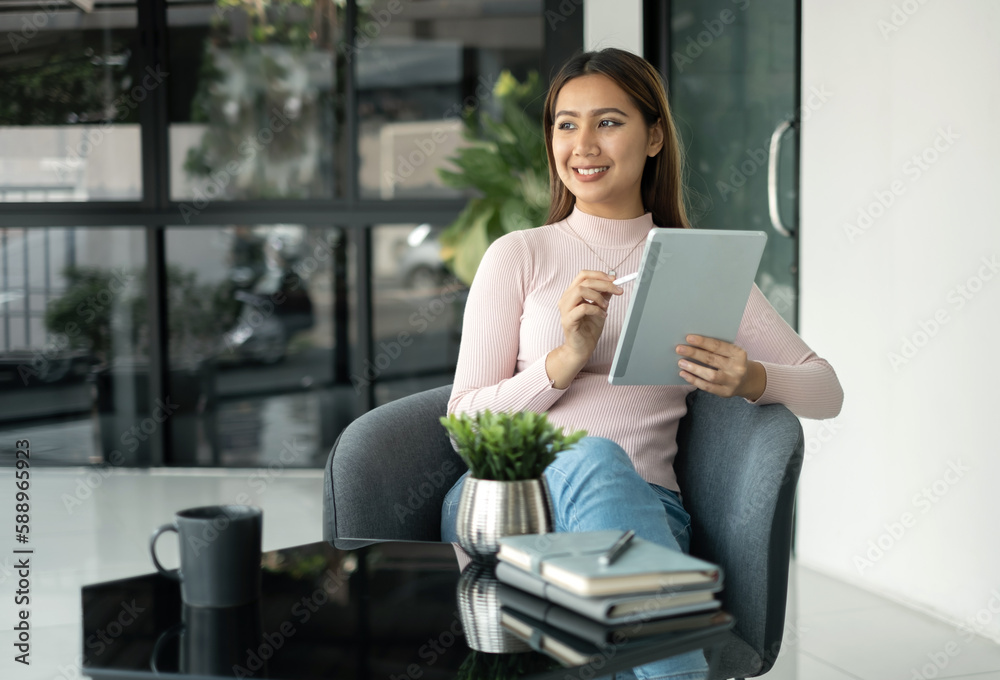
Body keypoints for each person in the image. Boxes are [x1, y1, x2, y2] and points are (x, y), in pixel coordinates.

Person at [440, 48, 843, 680]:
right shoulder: (519, 256)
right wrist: (563, 361)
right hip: (507, 501)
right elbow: (465, 420)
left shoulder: (698, 267)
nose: (582, 144)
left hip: (641, 513)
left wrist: (753, 379)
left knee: (606, 493)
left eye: (608, 121)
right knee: (594, 455)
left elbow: (827, 391)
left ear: (654, 135)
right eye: (565, 124)